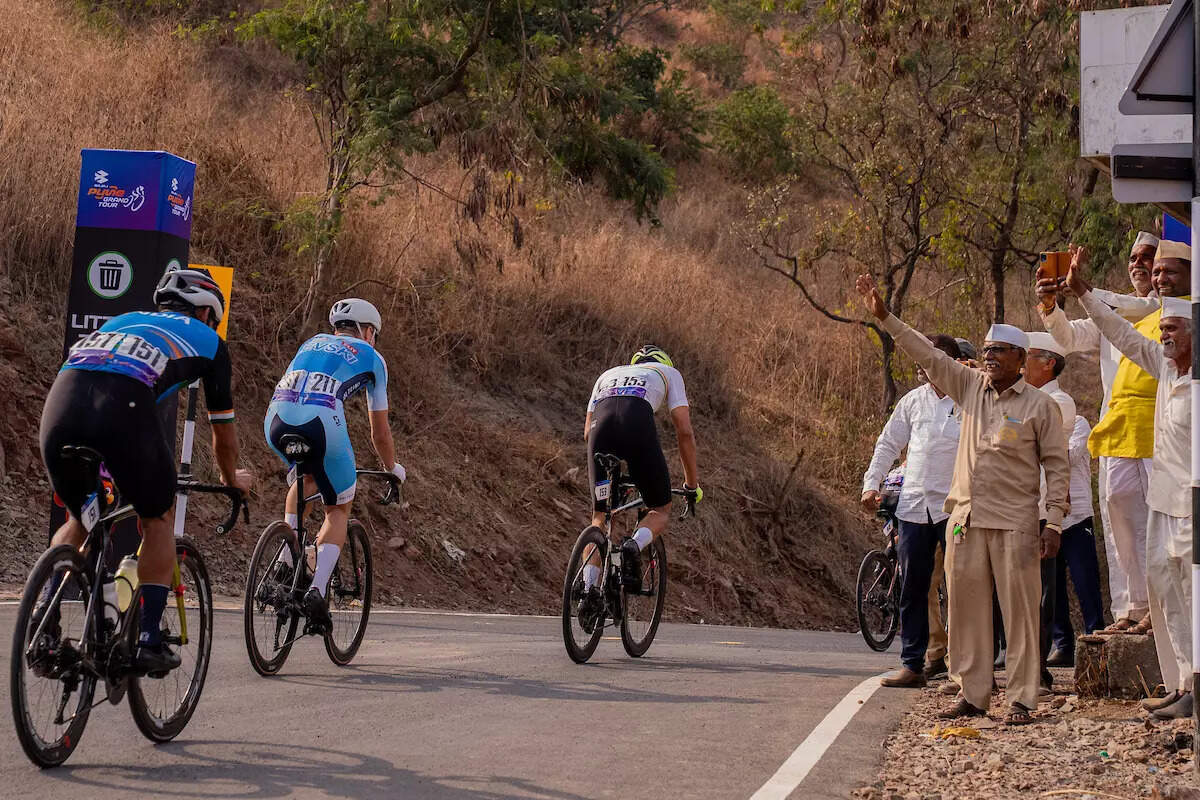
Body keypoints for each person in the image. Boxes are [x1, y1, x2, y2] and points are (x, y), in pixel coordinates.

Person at [855, 275, 1069, 725]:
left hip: (1015, 522)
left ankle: (1021, 698)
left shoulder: (1039, 407)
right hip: (965, 518)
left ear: (1020, 360)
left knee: (1020, 615)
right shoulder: (969, 387)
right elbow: (927, 353)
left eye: (998, 352)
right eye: (986, 350)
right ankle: (972, 693)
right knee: (966, 610)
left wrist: (1053, 522)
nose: (988, 357)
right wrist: (886, 317)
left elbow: (1057, 467)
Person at [39, 267, 251, 674]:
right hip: (124, 409)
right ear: (207, 313)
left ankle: (44, 623)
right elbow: (222, 434)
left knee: (81, 517)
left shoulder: (121, 321)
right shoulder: (210, 342)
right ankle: (150, 640)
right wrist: (229, 479)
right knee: (157, 517)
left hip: (61, 406)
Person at [1064, 245, 1193, 720]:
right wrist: (1080, 291)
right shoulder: (1162, 364)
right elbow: (1119, 333)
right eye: (1163, 330)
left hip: (1191, 505)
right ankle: (1183, 683)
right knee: (1165, 589)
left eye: (1173, 328)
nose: (1164, 336)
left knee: (1191, 591)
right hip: (1164, 502)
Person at [1036, 232, 1161, 634]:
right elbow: (1069, 338)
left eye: (1147, 258)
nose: (1138, 264)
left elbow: (1133, 306)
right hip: (1117, 426)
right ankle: (1128, 607)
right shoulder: (1112, 311)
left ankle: (1156, 609)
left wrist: (1084, 288)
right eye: (1133, 258)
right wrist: (1050, 304)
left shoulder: (1163, 307)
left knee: (1155, 519)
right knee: (1116, 511)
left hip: (1159, 426)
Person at [265, 298, 407, 631]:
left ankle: (286, 562)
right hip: (321, 422)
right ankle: (316, 590)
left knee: (307, 481)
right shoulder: (372, 356)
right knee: (338, 507)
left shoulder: (311, 342)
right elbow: (380, 430)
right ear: (368, 331)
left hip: (276, 419)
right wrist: (393, 468)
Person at [862, 335, 962, 687]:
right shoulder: (912, 402)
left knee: (963, 587)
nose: (927, 366)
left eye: (935, 358)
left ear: (950, 362)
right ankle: (912, 663)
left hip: (956, 507)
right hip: (914, 507)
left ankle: (964, 669)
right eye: (923, 360)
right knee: (913, 588)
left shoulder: (969, 399)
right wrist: (871, 484)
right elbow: (889, 442)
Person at [581, 345, 701, 604]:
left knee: (599, 517)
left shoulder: (608, 373)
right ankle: (632, 547)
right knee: (660, 508)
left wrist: (612, 474)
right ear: (663, 361)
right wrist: (691, 484)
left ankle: (588, 590)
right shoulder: (669, 373)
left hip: (599, 431)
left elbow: (587, 433)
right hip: (636, 422)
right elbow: (685, 432)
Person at [1023, 332, 1077, 684]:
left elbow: (1051, 459)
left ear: (1049, 363)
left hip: (1041, 507)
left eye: (1027, 357)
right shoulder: (1023, 399)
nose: (1023, 364)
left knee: (1041, 593)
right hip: (1016, 506)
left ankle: (1036, 667)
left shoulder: (1059, 401)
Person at [1049, 413, 1105, 664]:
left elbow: (1065, 457)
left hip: (1077, 515)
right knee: (1053, 585)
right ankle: (1063, 646)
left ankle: (1095, 640)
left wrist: (1041, 448)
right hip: (1047, 515)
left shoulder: (1079, 423)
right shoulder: (1036, 423)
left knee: (1086, 581)